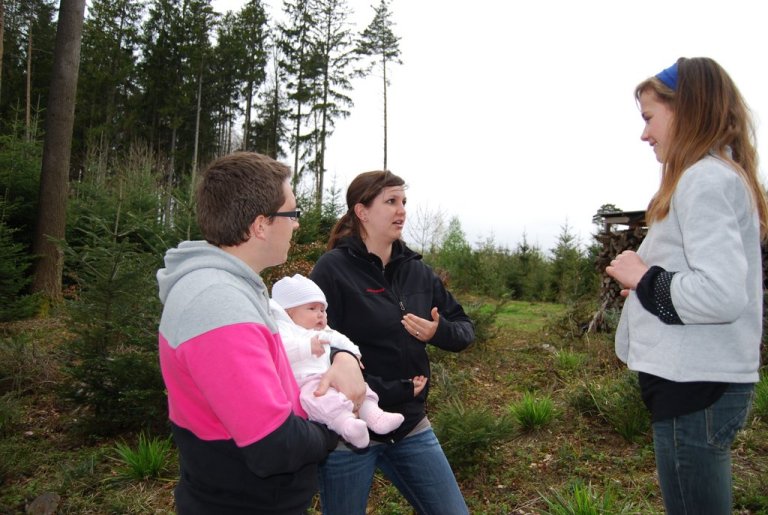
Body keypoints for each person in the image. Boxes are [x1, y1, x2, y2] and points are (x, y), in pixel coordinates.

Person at [156, 152, 366, 514]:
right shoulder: (218, 304)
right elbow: (271, 443)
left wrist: (342, 356)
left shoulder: (232, 289)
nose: (297, 224)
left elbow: (289, 353)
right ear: (261, 225)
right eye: (292, 214)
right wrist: (336, 421)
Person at [606, 57, 767, 514]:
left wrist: (644, 277)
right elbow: (702, 281)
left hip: (695, 385)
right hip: (700, 381)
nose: (644, 134)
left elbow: (721, 295)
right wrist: (646, 291)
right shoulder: (717, 176)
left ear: (687, 110)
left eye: (649, 118)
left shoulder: (703, 180)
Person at [309, 170, 475, 515]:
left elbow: (464, 329)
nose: (401, 210)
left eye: (403, 202)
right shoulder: (332, 269)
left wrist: (437, 331)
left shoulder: (417, 271)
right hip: (350, 430)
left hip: (409, 423)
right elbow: (314, 347)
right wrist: (394, 389)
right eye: (390, 202)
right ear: (362, 211)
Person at [270, 273, 405, 448]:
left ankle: (374, 415)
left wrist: (353, 355)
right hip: (305, 380)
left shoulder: (324, 330)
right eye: (312, 309)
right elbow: (279, 350)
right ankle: (348, 426)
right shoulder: (283, 329)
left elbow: (341, 340)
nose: (320, 314)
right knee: (320, 399)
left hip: (332, 375)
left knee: (360, 386)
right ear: (289, 312)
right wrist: (306, 346)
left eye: (322, 309)